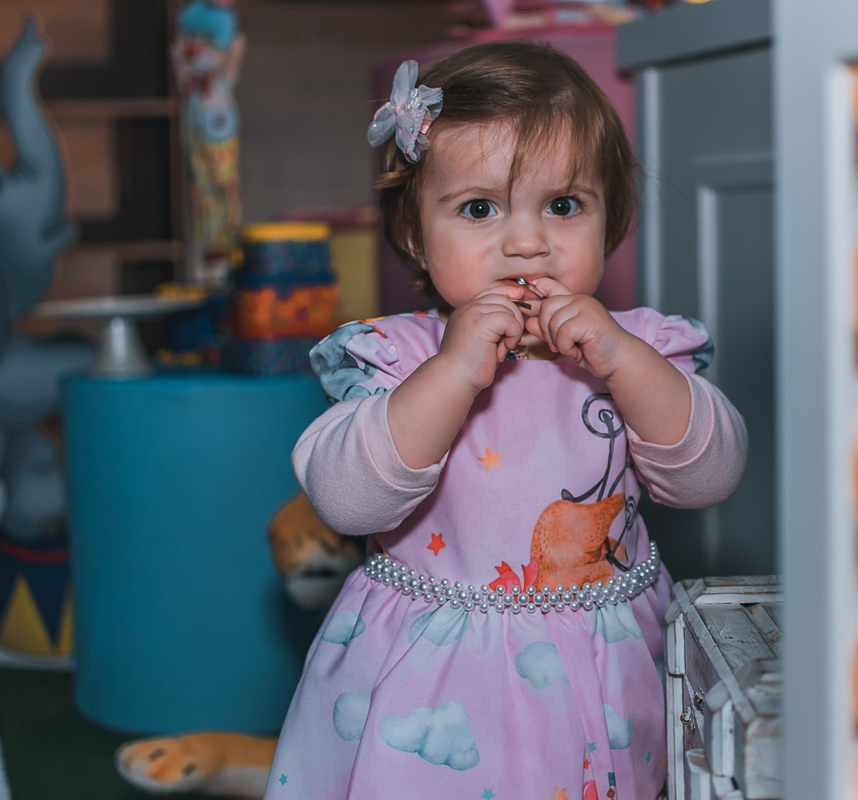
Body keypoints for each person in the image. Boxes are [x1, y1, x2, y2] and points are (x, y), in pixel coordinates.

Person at [265, 42, 747, 800]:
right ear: (418, 237)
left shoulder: (640, 349)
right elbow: (347, 499)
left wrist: (624, 362)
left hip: (604, 669)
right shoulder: (398, 356)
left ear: (610, 221)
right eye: (480, 208)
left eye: (563, 205)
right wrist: (453, 373)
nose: (527, 242)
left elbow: (711, 477)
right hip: (430, 682)